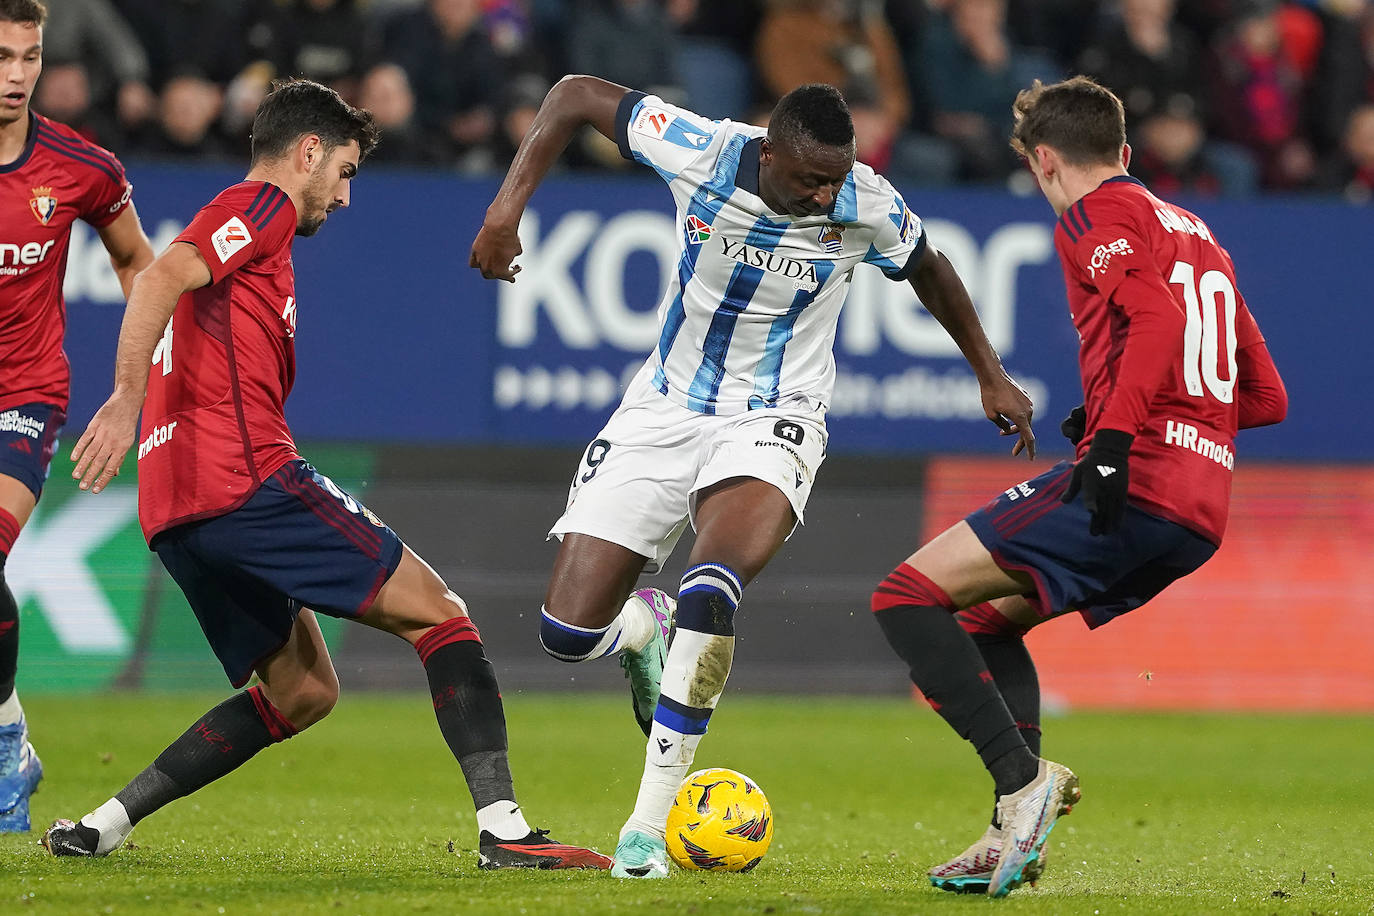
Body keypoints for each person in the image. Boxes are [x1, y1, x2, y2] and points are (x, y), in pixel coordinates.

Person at [470, 74, 1036, 877]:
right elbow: (570, 96)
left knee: (713, 584)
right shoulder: (699, 148)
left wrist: (989, 373)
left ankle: (646, 826)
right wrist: (504, 212)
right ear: (768, 151)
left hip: (777, 415)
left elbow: (931, 269)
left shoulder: (864, 200)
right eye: (809, 178)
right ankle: (643, 628)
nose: (824, 194)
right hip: (663, 410)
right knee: (566, 635)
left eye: (835, 178)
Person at [41, 77, 611, 871]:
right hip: (246, 480)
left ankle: (102, 824)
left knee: (302, 693)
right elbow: (163, 276)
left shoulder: (241, 238)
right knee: (442, 615)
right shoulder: (262, 205)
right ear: (307, 152)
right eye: (343, 171)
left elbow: (164, 289)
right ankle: (505, 830)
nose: (344, 197)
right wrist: (125, 397)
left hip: (175, 512)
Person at [868, 75, 1287, 898]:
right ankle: (1008, 827)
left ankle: (1024, 786)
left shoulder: (1094, 215)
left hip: (1138, 483)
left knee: (904, 594)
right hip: (1201, 513)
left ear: (1045, 160)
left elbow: (1161, 323)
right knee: (986, 623)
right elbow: (1266, 398)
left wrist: (1117, 438)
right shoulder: (1198, 230)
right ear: (1127, 151)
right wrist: (1146, 417)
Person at [0, 0, 155, 833]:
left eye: (29, 57)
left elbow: (139, 263)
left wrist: (137, 386)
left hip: (24, 395)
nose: (17, 75)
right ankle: (9, 738)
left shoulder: (78, 166)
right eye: (1, 57)